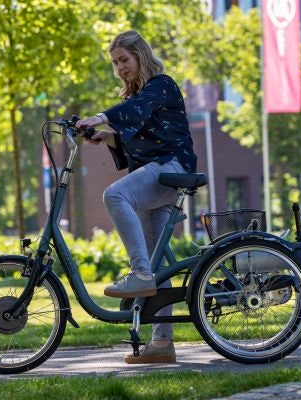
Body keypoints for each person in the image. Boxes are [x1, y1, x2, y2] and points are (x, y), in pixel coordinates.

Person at [75, 30, 197, 364]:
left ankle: (138, 273)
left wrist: (102, 117)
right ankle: (162, 344)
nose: (119, 68)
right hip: (157, 171)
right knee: (158, 263)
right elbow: (140, 137)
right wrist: (106, 137)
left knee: (114, 195)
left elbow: (137, 111)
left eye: (124, 60)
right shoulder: (140, 95)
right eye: (115, 63)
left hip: (171, 167)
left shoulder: (161, 85)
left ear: (140, 56)